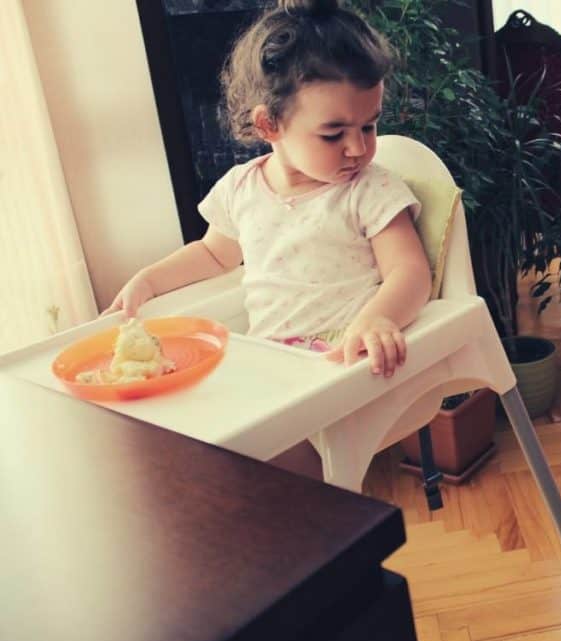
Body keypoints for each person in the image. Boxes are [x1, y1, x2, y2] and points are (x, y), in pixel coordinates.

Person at [105, 0, 430, 379]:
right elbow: (213, 254)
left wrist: (377, 320)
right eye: (333, 134)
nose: (358, 148)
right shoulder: (241, 189)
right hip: (272, 364)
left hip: (343, 360)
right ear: (268, 124)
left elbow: (409, 269)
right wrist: (148, 281)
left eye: (369, 126)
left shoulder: (370, 190)